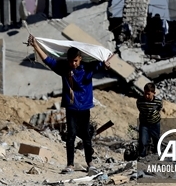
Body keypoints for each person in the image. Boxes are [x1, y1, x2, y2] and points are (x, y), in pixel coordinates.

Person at [27, 36, 112, 173]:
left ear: (80, 59)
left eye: (76, 61)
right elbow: (48, 60)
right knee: (71, 135)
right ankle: (70, 164)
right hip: (71, 107)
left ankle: (90, 163)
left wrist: (107, 64)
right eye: (71, 61)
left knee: (86, 135)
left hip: (84, 107)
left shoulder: (88, 68)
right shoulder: (64, 69)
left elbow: (103, 64)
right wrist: (35, 45)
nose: (73, 64)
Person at [137, 83, 163, 158]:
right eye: (145, 93)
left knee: (156, 141)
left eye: (148, 94)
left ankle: (157, 155)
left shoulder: (158, 102)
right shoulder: (140, 101)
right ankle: (142, 157)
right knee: (143, 141)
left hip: (155, 124)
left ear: (154, 93)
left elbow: (159, 108)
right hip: (144, 124)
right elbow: (140, 108)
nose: (146, 96)